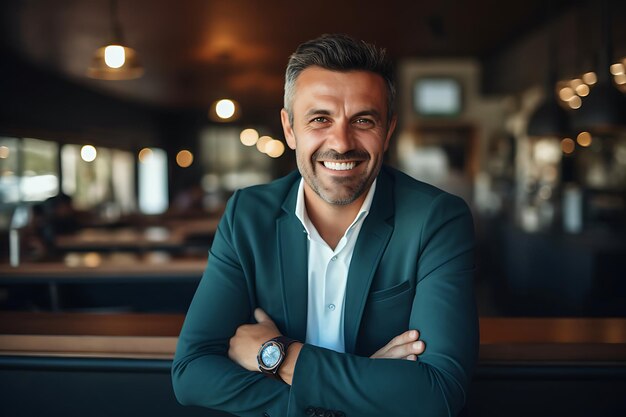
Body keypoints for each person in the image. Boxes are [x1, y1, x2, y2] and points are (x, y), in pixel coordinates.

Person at [172, 33, 478, 417]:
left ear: (388, 130)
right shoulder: (247, 215)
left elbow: (438, 394)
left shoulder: (436, 218)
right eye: (320, 119)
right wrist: (347, 399)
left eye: (363, 120)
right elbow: (191, 372)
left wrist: (281, 357)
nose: (342, 142)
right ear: (289, 129)